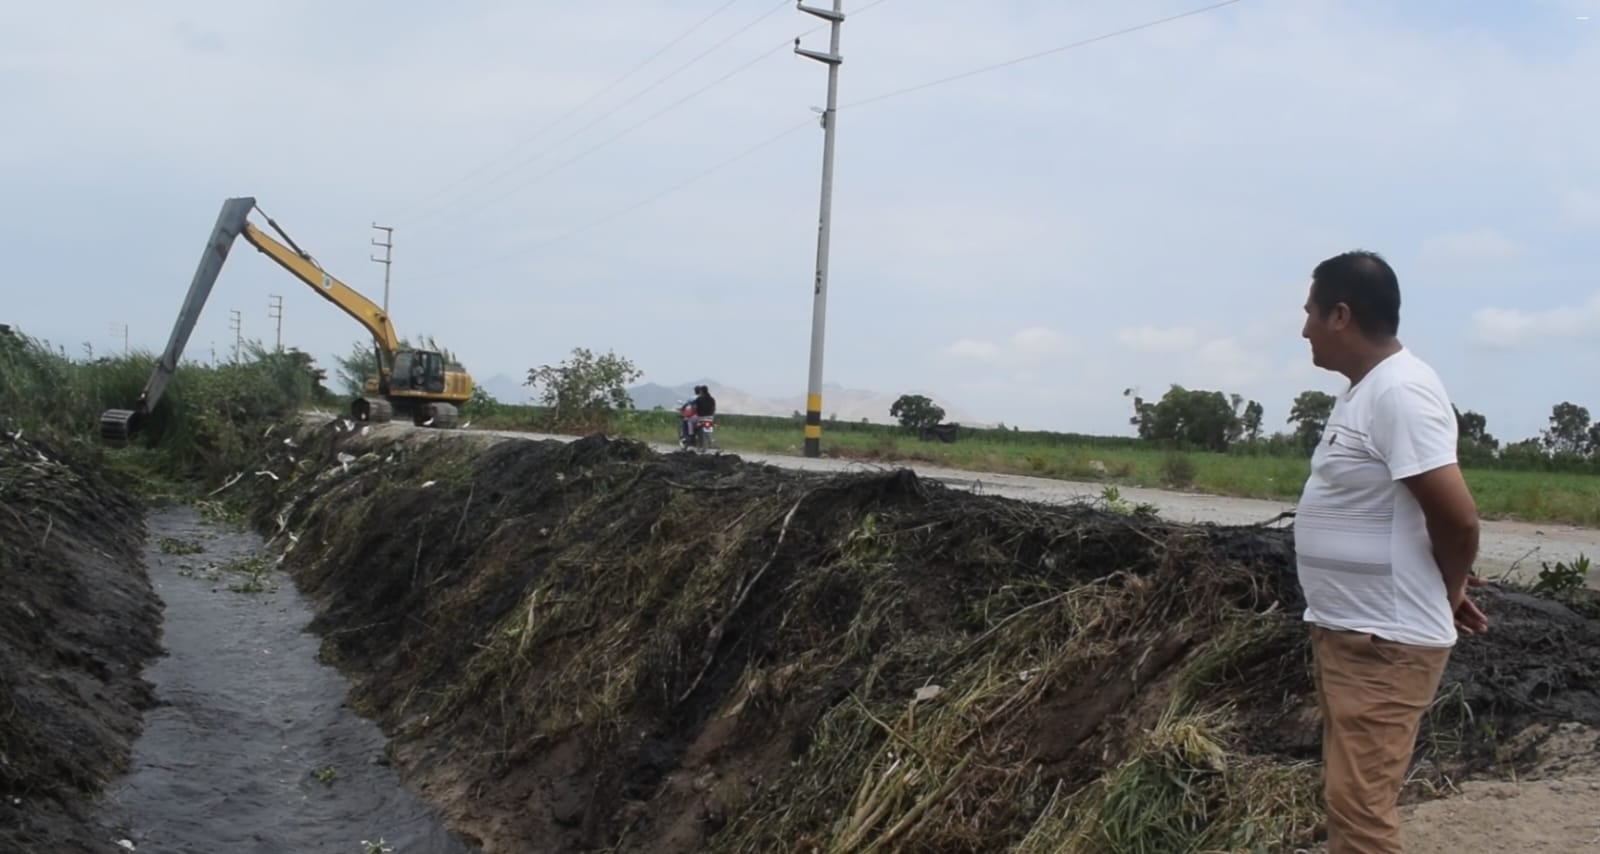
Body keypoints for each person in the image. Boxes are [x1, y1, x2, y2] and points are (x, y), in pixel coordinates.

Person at [1293, 249, 1487, 853]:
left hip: (1384, 642)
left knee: (1361, 816)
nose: (1303, 329)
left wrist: (1448, 588)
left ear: (1341, 315)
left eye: (1310, 313)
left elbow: (1457, 521)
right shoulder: (1366, 392)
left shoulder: (1401, 393)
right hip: (1356, 634)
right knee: (1351, 802)